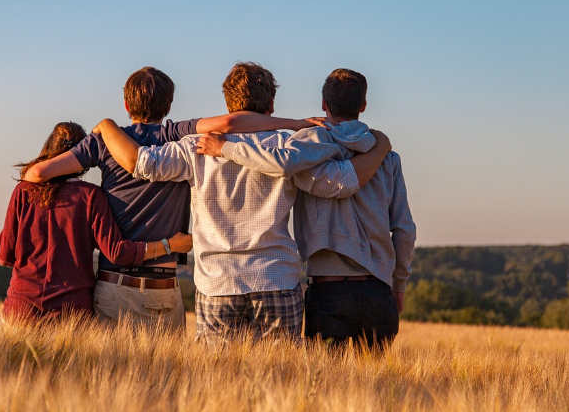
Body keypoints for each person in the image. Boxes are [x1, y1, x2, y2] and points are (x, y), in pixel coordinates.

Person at [93, 62, 392, 343]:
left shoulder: (194, 147)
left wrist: (107, 126)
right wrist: (380, 147)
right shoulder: (288, 148)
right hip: (276, 278)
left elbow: (142, 164)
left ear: (227, 104)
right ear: (271, 105)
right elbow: (339, 183)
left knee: (218, 383)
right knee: (281, 381)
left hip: (217, 283)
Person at [21, 66, 324, 329]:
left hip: (115, 284)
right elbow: (232, 124)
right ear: (169, 105)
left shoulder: (104, 141)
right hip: (165, 287)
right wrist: (295, 124)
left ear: (127, 104)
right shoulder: (176, 134)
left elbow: (36, 175)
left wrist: (103, 130)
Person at [198, 68, 415, 350]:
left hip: (327, 291)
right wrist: (399, 284)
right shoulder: (387, 157)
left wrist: (226, 148)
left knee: (325, 387)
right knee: (376, 389)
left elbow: (281, 163)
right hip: (378, 289)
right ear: (363, 105)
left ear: (324, 104)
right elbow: (404, 229)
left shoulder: (304, 148)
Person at [0, 121, 192, 323]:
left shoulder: (24, 191)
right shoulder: (90, 196)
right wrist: (170, 245)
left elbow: (5, 256)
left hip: (20, 309)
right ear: (83, 155)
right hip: (72, 314)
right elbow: (117, 252)